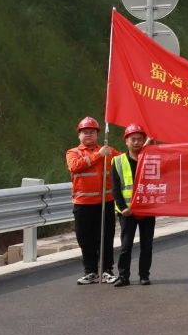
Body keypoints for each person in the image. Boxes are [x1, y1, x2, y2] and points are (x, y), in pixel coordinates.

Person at [66, 116, 120, 285]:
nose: (88, 134)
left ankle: (107, 271)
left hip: (105, 203)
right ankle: (90, 272)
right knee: (85, 239)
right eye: (85, 132)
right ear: (79, 135)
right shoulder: (73, 152)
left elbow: (126, 160)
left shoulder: (108, 151)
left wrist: (144, 147)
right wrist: (98, 155)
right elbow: (75, 166)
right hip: (82, 205)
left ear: (97, 134)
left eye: (92, 131)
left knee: (105, 238)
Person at [112, 123, 155, 286]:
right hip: (127, 212)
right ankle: (123, 276)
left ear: (144, 141)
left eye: (139, 139)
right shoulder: (118, 161)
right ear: (126, 141)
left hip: (147, 209)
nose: (136, 142)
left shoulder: (151, 158)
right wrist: (123, 208)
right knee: (126, 246)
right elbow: (116, 188)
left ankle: (144, 275)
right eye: (133, 139)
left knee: (147, 245)